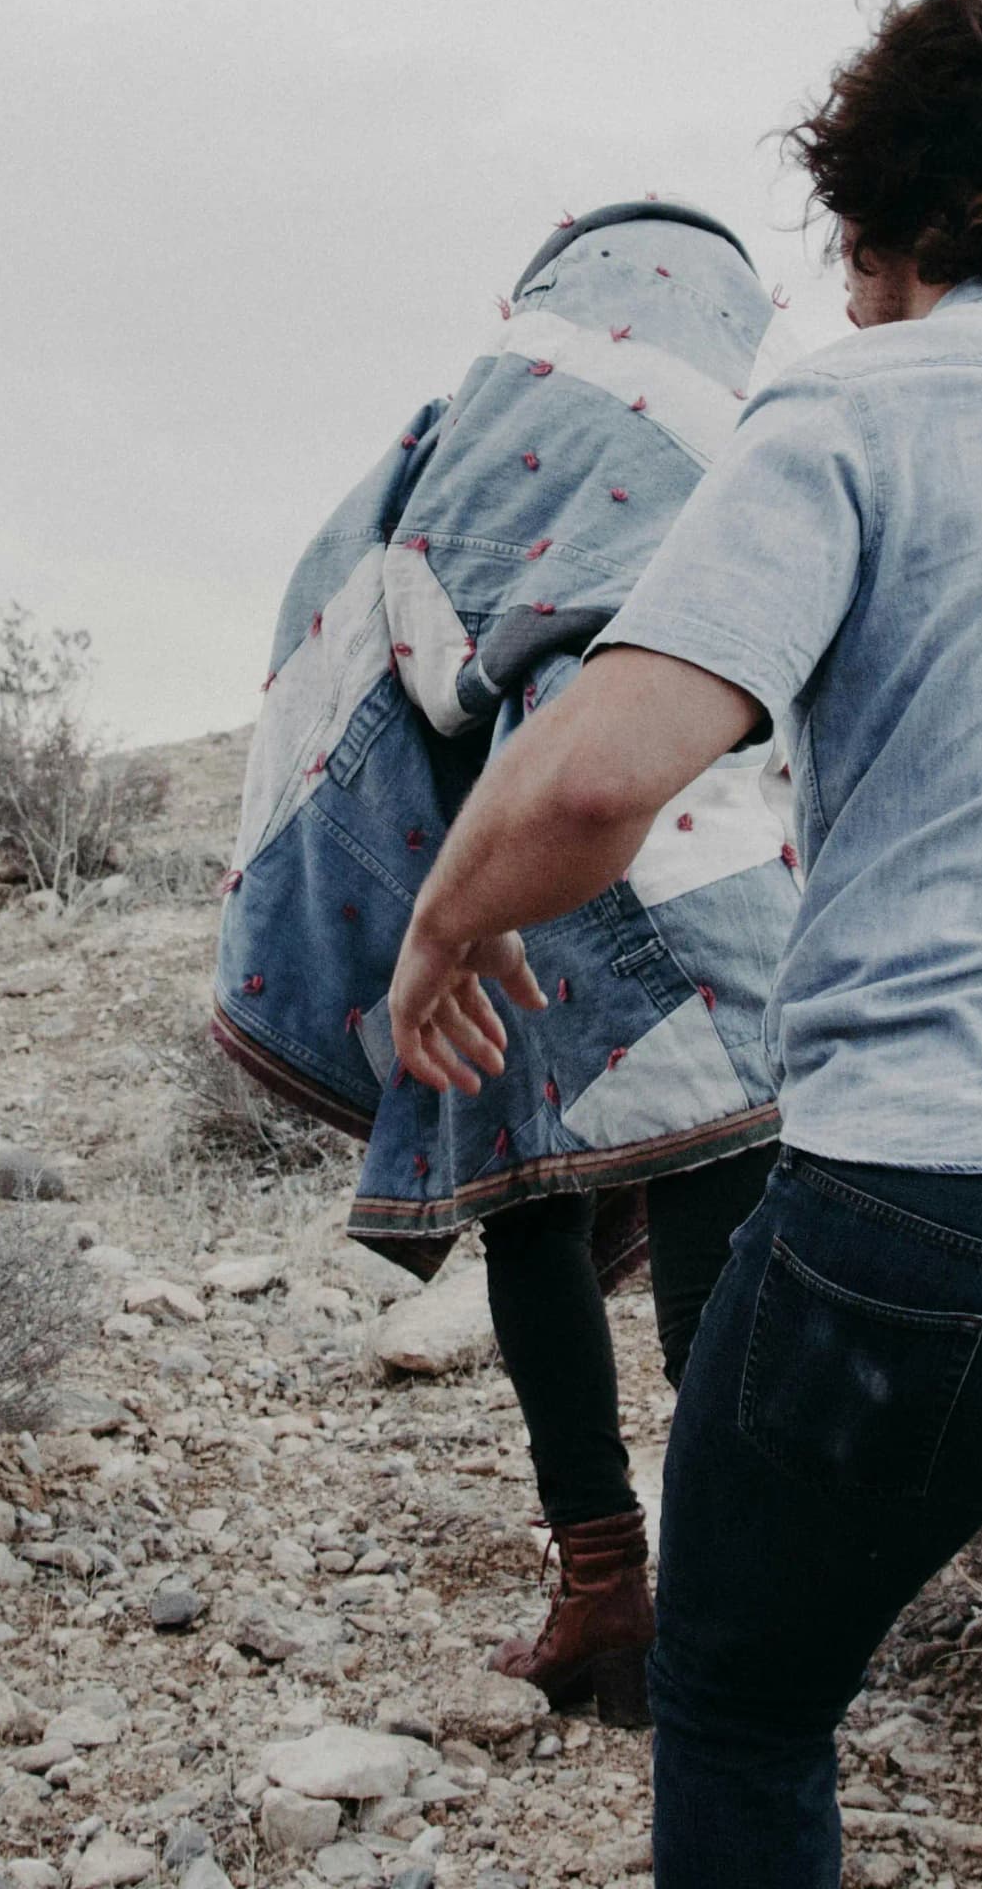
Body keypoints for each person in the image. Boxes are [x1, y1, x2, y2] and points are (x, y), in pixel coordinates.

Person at [385, 0, 982, 1887]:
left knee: (741, 1703)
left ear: (884, 217)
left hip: (924, 1207)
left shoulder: (849, 410)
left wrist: (441, 925)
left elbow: (599, 772)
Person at [209, 202, 800, 1722]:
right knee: (714, 1213)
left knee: (534, 1206)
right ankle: (739, 1603)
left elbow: (369, 638)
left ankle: (602, 1590)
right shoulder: (767, 439)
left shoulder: (460, 439)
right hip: (727, 855)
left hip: (520, 862)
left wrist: (445, 876)